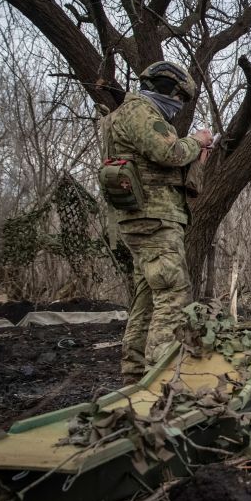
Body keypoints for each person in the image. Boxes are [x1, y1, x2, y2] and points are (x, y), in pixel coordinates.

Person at [100, 60, 213, 383]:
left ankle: (134, 374)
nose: (178, 106)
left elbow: (156, 163)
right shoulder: (139, 113)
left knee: (147, 298)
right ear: (170, 91)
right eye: (179, 98)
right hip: (154, 218)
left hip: (142, 219)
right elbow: (170, 153)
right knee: (173, 295)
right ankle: (160, 380)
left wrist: (196, 159)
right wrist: (198, 141)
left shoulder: (122, 117)